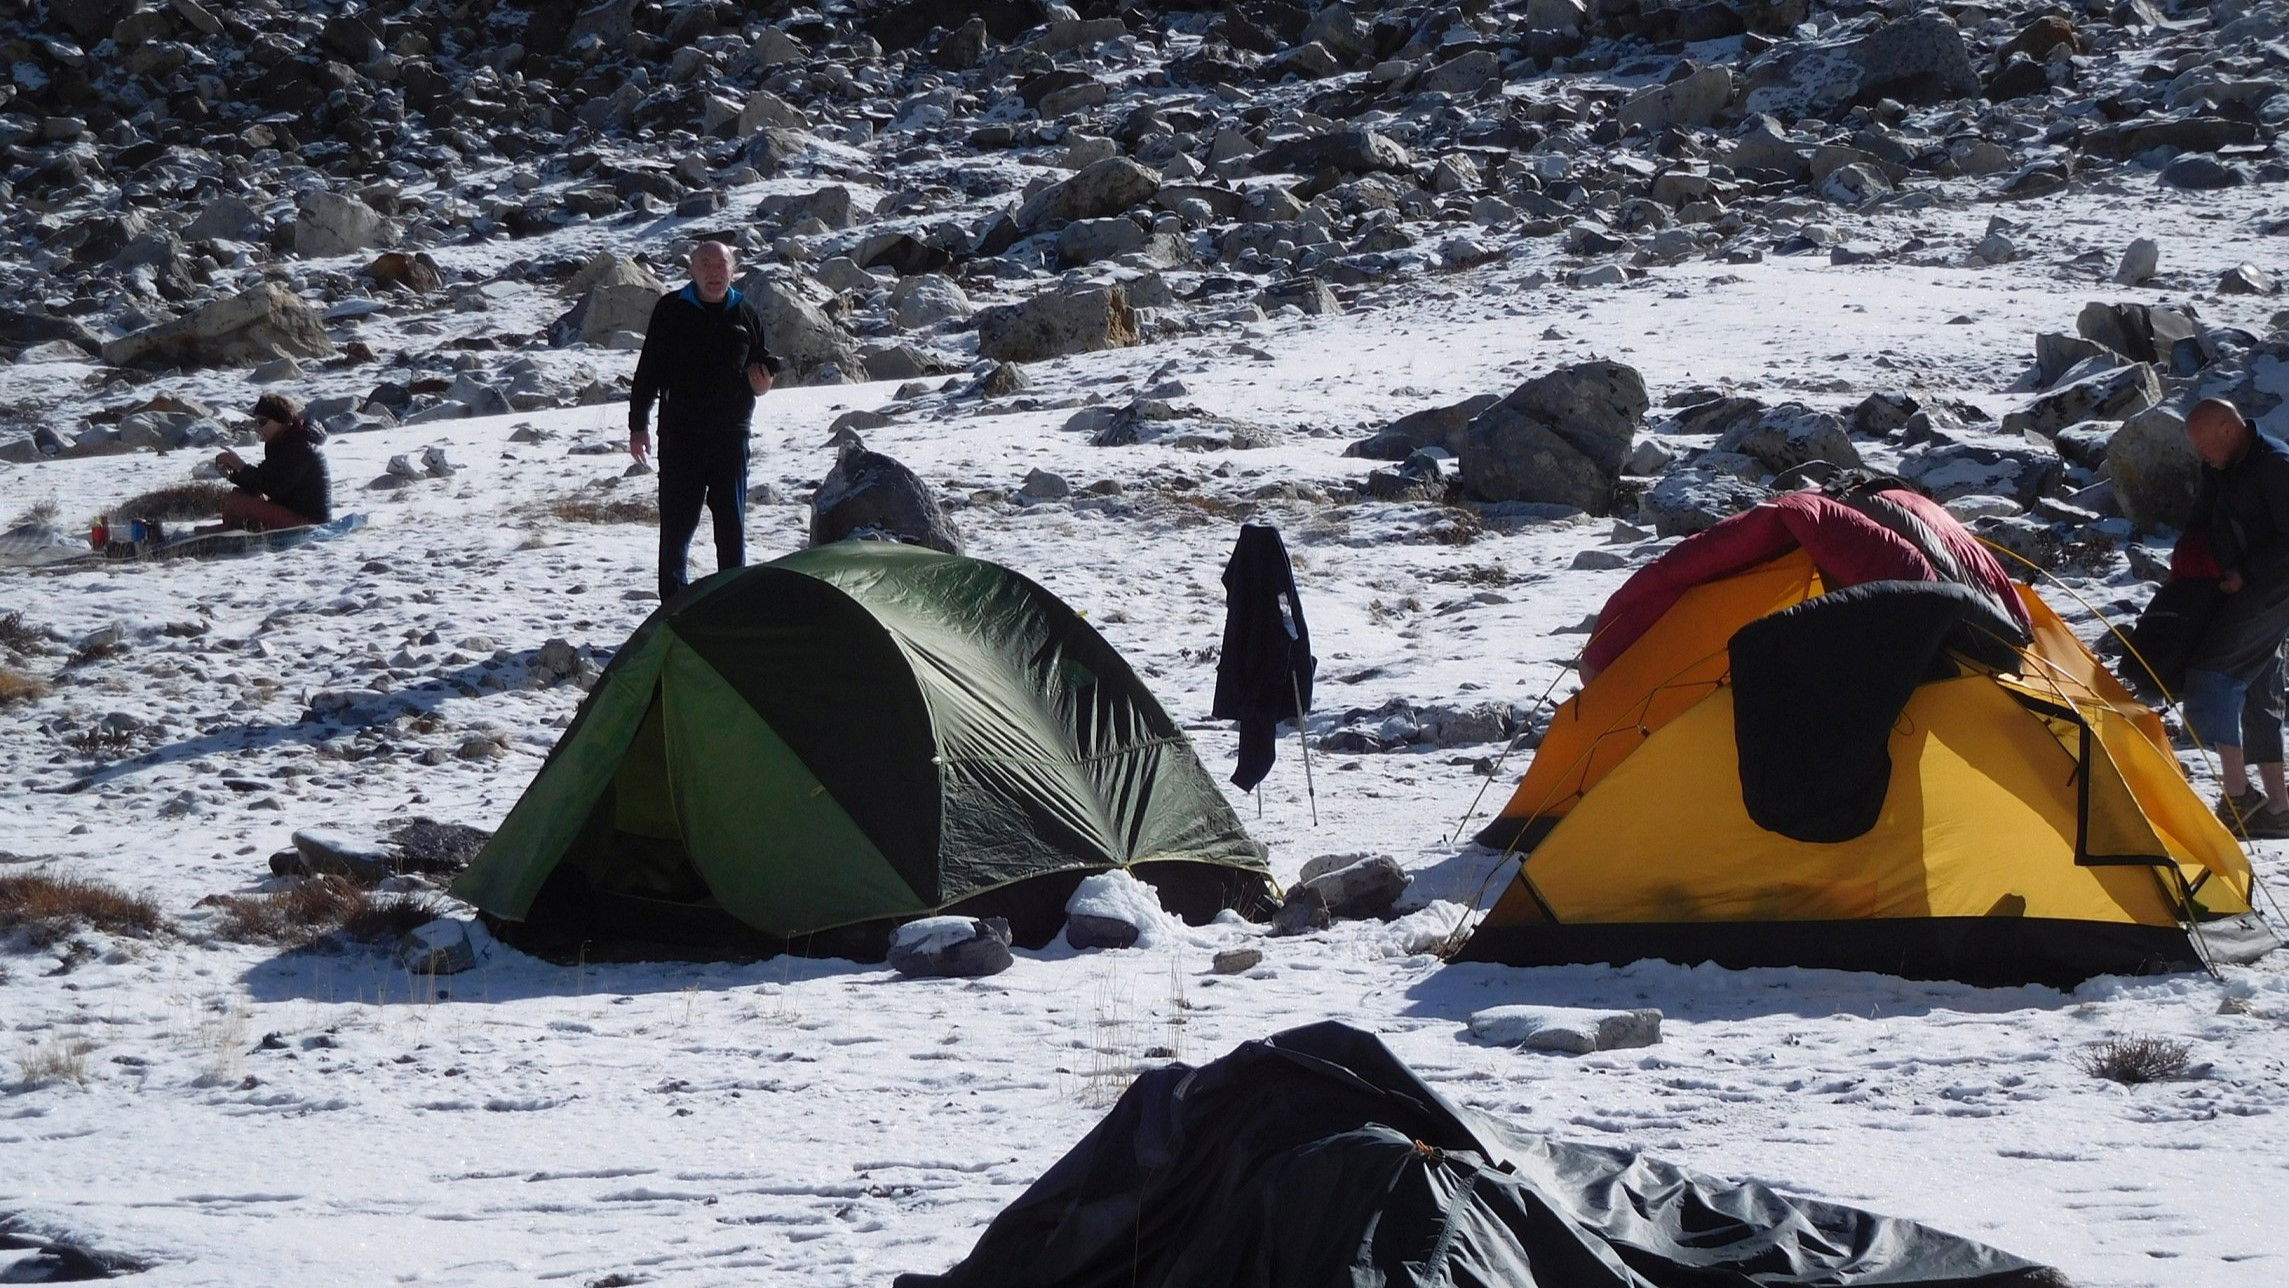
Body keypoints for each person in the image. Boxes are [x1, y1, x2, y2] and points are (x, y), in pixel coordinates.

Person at [628, 240, 781, 603]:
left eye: (721, 265)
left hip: (731, 437)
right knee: (677, 530)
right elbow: (648, 370)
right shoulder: (671, 310)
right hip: (681, 437)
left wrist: (764, 384)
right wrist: (638, 425)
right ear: (692, 270)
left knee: (731, 528)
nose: (714, 272)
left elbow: (762, 369)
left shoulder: (746, 313)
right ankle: (674, 609)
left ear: (733, 269)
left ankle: (732, 605)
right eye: (706, 265)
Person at [2178, 398, 2289, 838]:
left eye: (2205, 446)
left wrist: (2246, 574)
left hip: (2272, 589)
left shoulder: (2276, 466)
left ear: (2229, 429)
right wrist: (2190, 557)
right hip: (2234, 587)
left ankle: (2238, 795)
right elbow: (2202, 518)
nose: (2202, 457)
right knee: (2260, 684)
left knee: (2216, 671)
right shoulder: (2221, 465)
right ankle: (2278, 807)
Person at [214, 393, 330, 531]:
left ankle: (233, 530)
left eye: (263, 422)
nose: (259, 428)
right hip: (290, 510)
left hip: (308, 522)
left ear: (280, 419)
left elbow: (274, 487)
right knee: (238, 495)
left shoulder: (300, 446)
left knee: (238, 502)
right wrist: (232, 472)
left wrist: (240, 466)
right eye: (256, 422)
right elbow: (264, 480)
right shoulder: (279, 443)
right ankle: (234, 529)